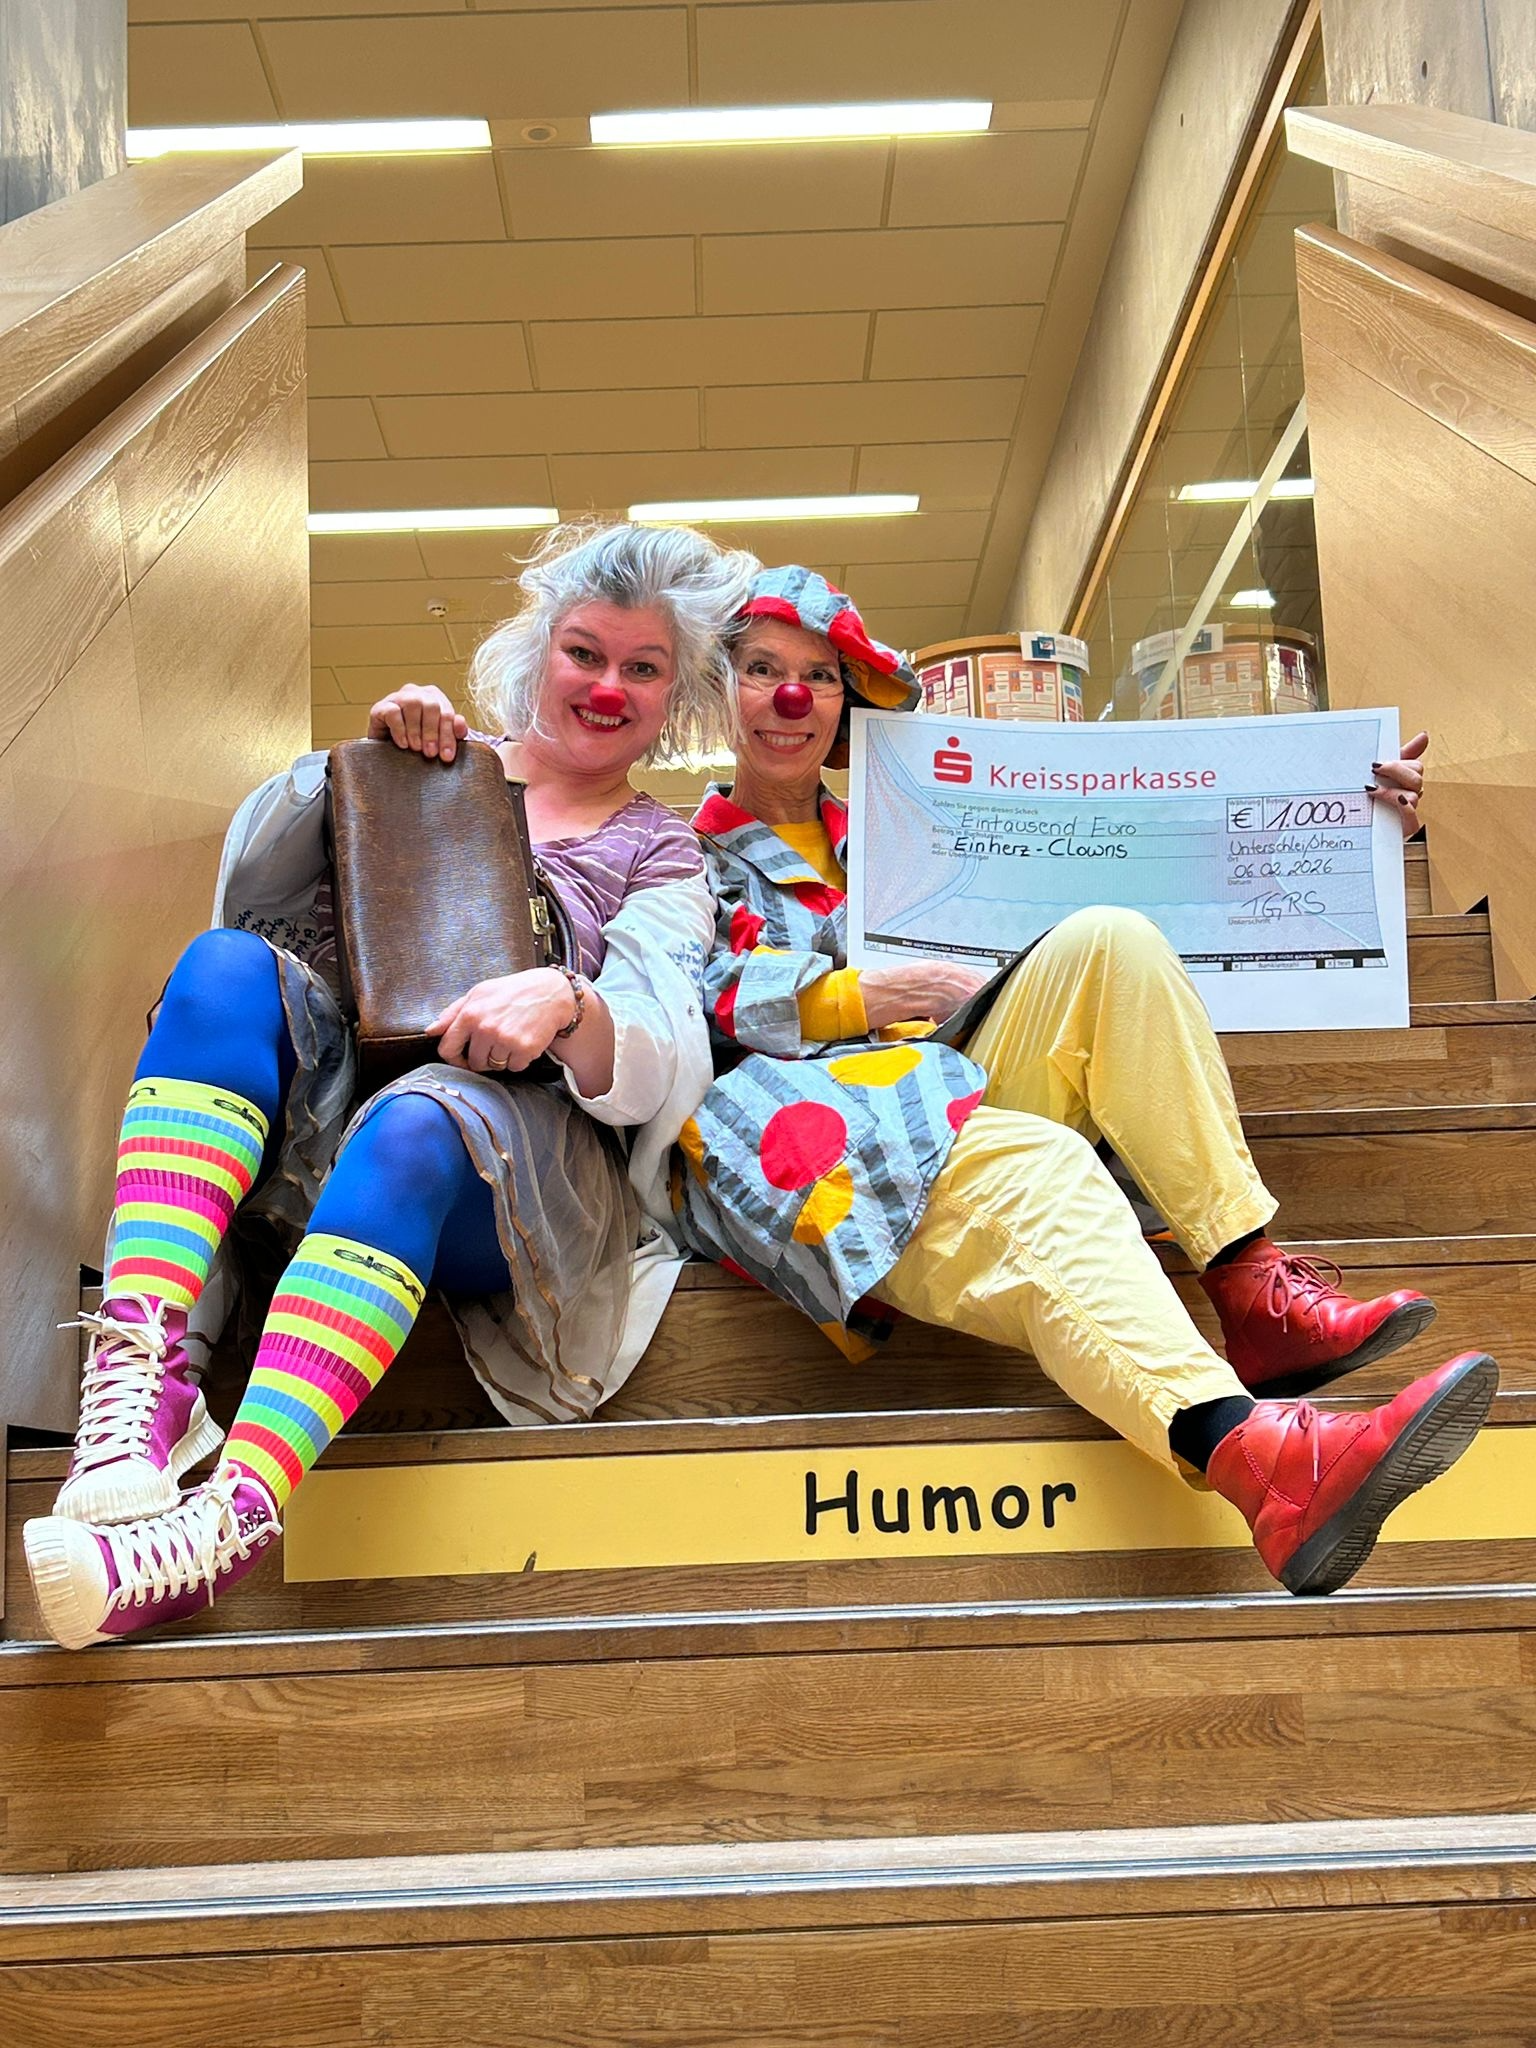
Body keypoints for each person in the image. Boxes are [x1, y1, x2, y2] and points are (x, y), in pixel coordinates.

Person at [670, 565, 1494, 1597]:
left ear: (848, 701)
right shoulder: (676, 855)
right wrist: (867, 992)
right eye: (761, 669)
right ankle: (1265, 1458)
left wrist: (1344, 833)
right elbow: (678, 998)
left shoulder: (912, 814)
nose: (792, 696)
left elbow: (1155, 866)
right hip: (833, 1132)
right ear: (719, 686)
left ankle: (1251, 1285)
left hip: (959, 1063)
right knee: (1042, 1163)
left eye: (820, 675)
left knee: (1116, 935)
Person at [24, 522, 756, 1649]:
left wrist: (567, 1000)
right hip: (331, 1108)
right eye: (584, 652)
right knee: (220, 968)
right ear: (538, 654)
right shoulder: (422, 762)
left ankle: (226, 1523)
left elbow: (657, 1047)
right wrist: (354, 773)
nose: (607, 686)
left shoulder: (661, 852)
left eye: (642, 667)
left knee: (419, 1120)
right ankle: (140, 1382)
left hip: (515, 1166)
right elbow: (250, 899)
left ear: (677, 695)